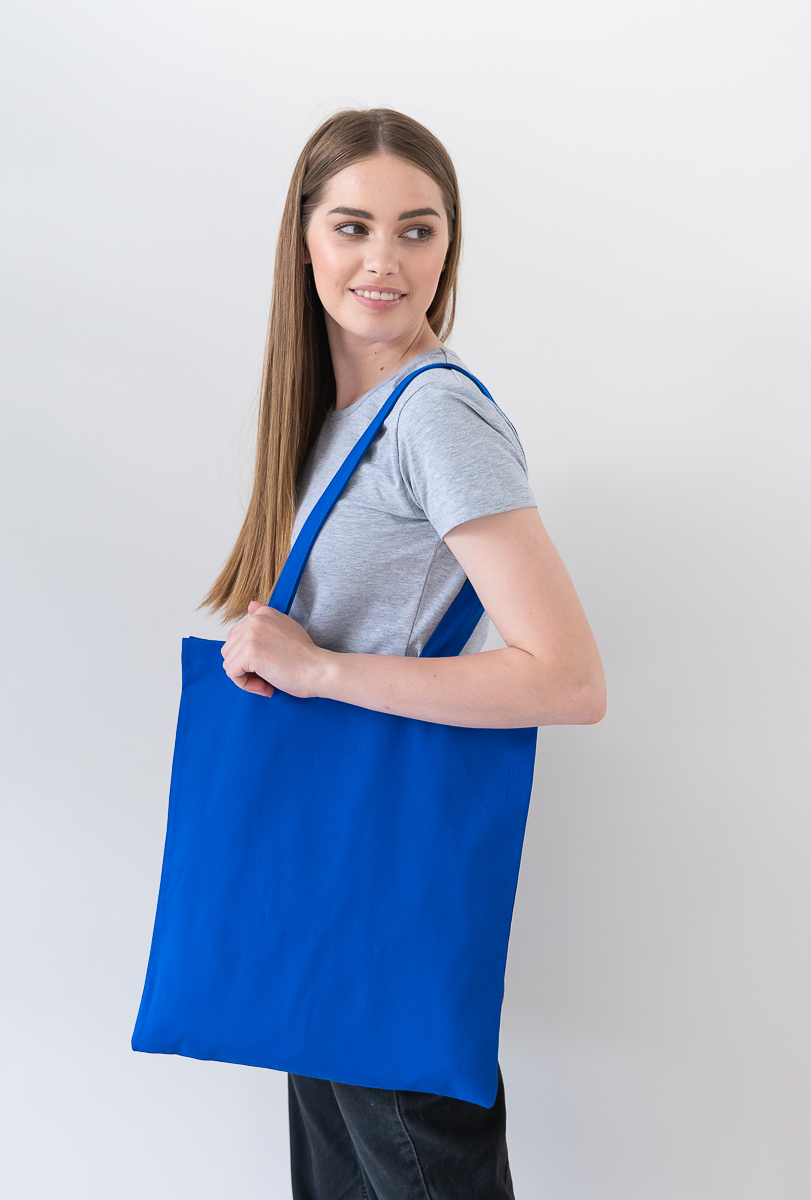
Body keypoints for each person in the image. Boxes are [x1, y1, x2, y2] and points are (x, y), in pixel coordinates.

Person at [204, 108, 606, 1200]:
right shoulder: (339, 415)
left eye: (416, 231)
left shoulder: (433, 418)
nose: (384, 260)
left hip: (378, 892)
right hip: (327, 883)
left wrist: (320, 671)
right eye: (353, 227)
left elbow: (568, 678)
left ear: (447, 247)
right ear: (302, 239)